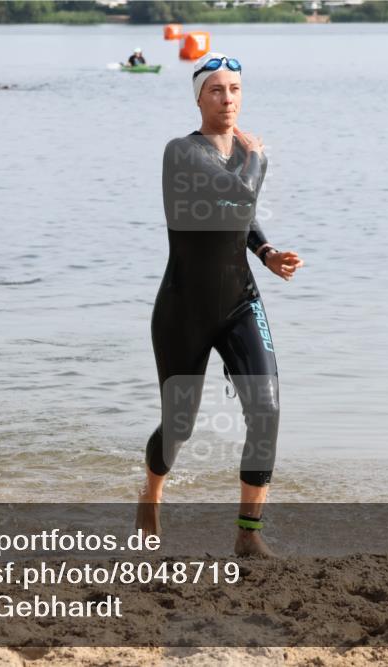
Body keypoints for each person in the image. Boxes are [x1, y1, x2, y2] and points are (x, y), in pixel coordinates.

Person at [138, 52, 304, 557]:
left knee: (267, 409)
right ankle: (150, 496)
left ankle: (248, 536)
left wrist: (266, 252)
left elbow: (241, 214)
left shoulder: (248, 154)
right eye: (216, 90)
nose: (227, 99)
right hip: (183, 309)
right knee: (179, 425)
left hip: (239, 301)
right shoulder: (181, 153)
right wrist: (255, 155)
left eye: (234, 89)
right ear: (198, 97)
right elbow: (236, 190)